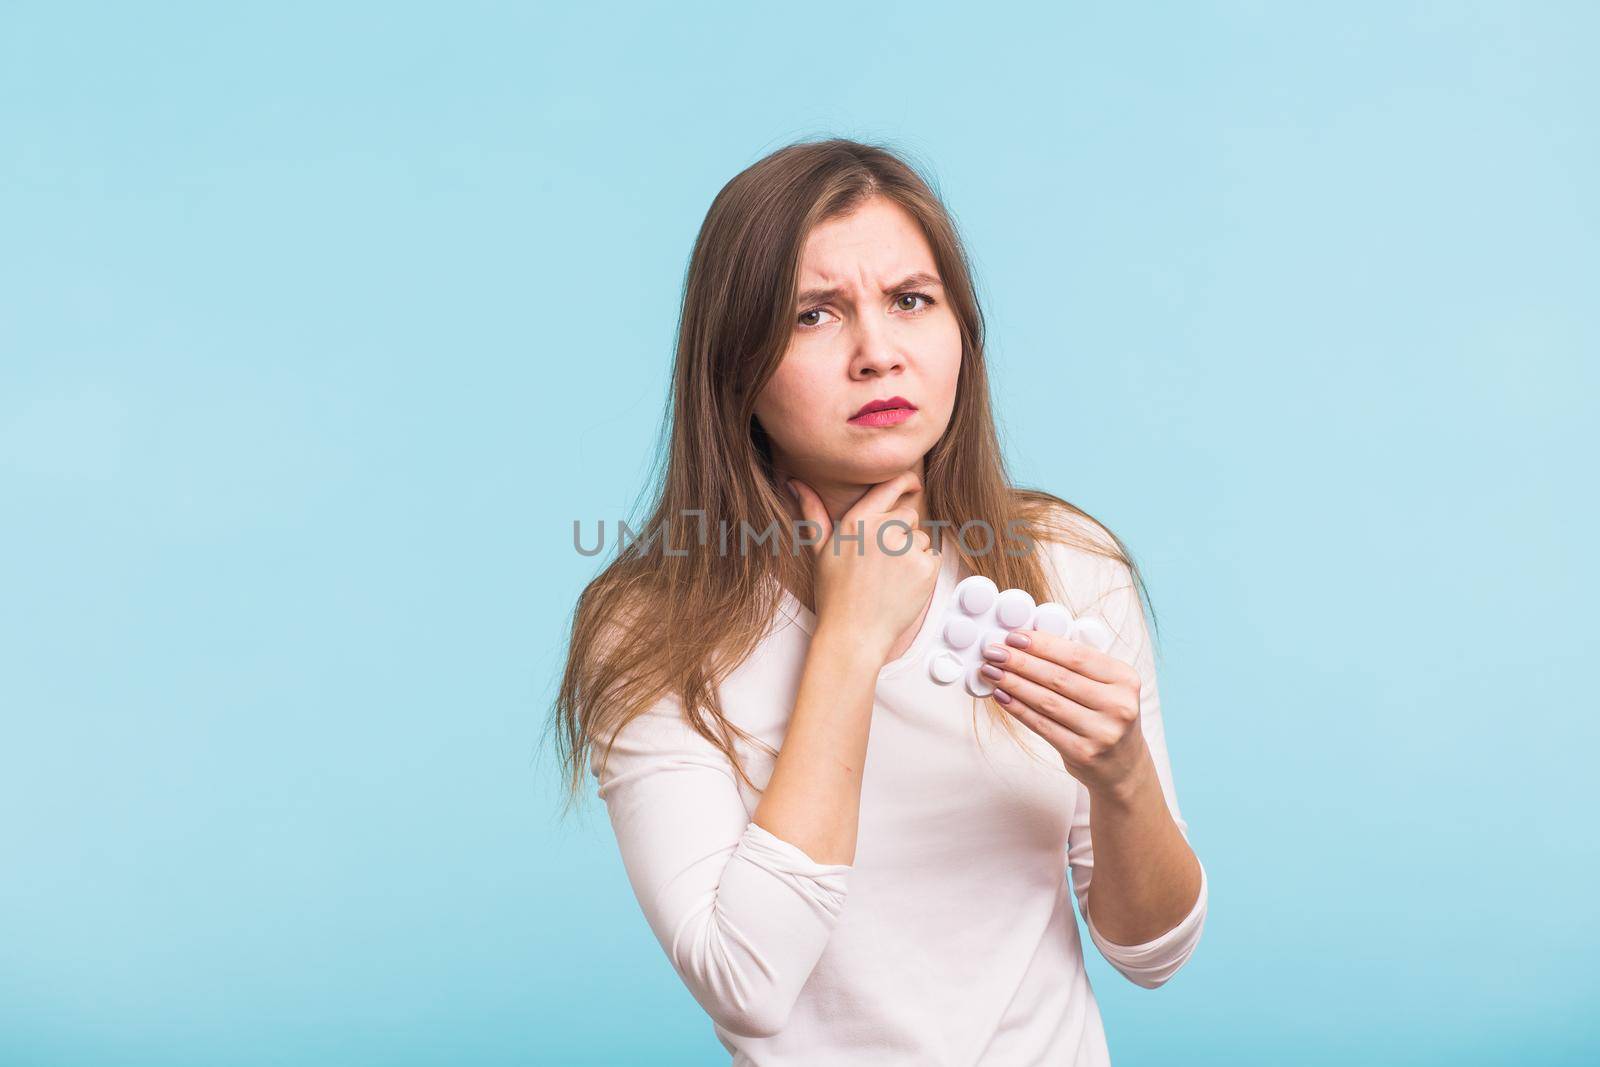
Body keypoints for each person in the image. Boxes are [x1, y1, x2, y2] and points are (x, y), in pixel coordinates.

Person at [551, 137, 1207, 1065]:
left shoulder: (1064, 565)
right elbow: (747, 982)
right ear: (735, 366)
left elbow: (1155, 954)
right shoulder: (648, 628)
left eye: (911, 301)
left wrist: (1123, 777)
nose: (878, 354)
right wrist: (849, 639)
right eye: (814, 315)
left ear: (961, 334)